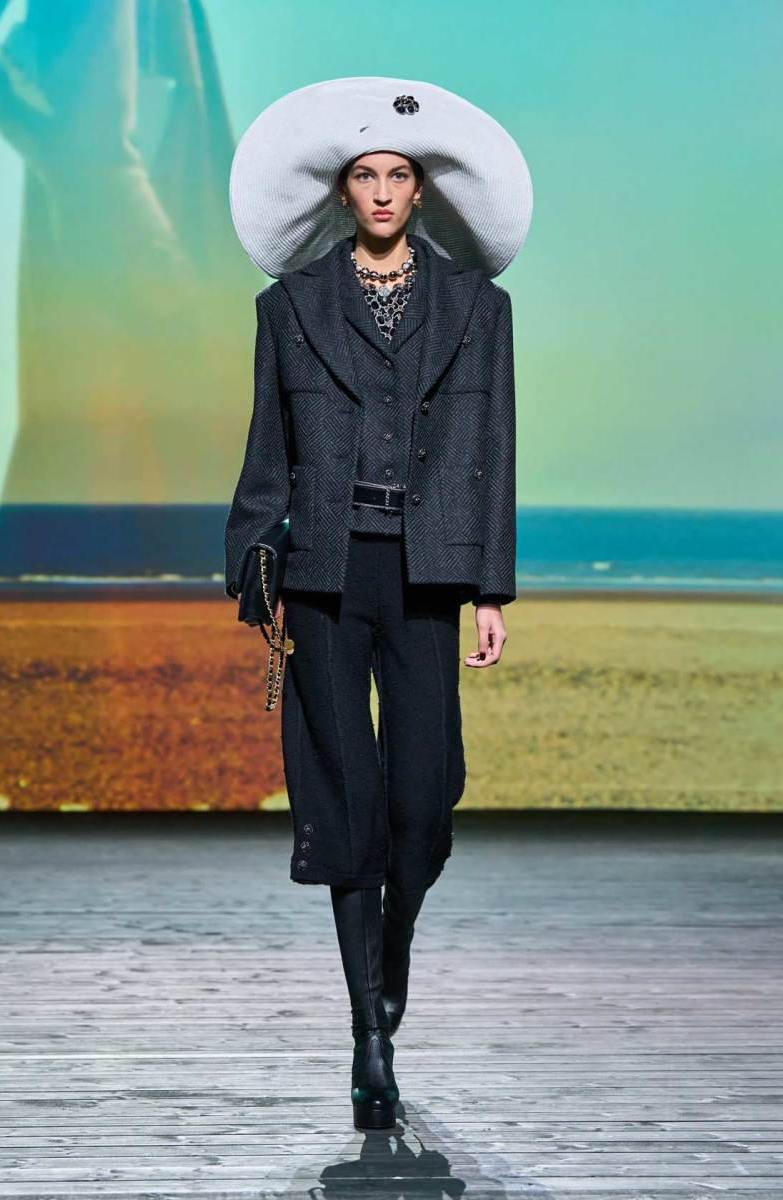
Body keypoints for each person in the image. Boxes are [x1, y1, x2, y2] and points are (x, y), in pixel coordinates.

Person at [225, 77, 532, 1131]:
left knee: (424, 799)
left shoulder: (479, 310)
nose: (384, 191)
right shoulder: (289, 308)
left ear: (422, 190)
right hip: (322, 571)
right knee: (346, 799)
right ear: (343, 191)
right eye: (366, 175)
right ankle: (368, 1036)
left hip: (427, 571)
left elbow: (493, 453)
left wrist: (491, 587)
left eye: (400, 174)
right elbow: (267, 449)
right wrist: (253, 564)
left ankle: (392, 947)